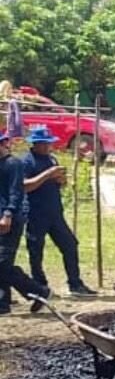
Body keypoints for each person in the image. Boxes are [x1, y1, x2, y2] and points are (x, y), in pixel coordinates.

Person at [22, 126, 95, 296]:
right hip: (35, 213)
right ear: (35, 144)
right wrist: (48, 174)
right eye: (44, 143)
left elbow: (60, 185)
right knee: (36, 251)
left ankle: (75, 283)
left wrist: (61, 180)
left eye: (49, 143)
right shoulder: (26, 162)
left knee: (70, 245)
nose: (48, 146)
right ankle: (40, 287)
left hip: (55, 213)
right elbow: (24, 186)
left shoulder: (52, 159)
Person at [0, 131, 52, 314]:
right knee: (3, 264)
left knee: (2, 262)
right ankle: (3, 302)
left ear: (4, 144)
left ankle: (38, 291)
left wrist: (8, 214)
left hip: (11, 219)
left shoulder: (13, 164)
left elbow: (16, 192)